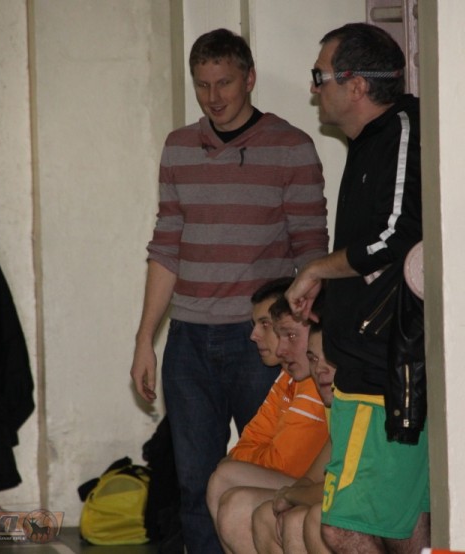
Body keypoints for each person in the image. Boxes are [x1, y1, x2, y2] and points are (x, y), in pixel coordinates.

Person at [130, 27, 329, 553]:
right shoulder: (179, 148)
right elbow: (165, 248)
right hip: (189, 340)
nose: (213, 97)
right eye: (202, 85)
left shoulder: (291, 147)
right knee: (194, 485)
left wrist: (301, 339)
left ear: (250, 79)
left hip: (260, 342)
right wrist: (145, 339)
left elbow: (312, 253)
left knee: (274, 478)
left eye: (224, 83)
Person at [285, 23, 429, 553]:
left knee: (342, 528)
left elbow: (397, 235)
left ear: (357, 85)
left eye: (320, 76)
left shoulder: (401, 131)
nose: (313, 88)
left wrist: (317, 270)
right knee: (405, 528)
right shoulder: (369, 141)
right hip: (361, 366)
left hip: (384, 369)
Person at [207, 279, 328, 553]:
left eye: (266, 325)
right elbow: (250, 440)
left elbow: (284, 463)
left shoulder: (317, 380)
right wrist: (245, 460)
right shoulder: (288, 377)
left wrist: (243, 462)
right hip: (305, 484)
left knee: (226, 479)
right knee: (226, 480)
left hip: (313, 486)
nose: (254, 335)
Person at [251, 319, 336, 554]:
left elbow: (338, 490)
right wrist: (292, 496)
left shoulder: (366, 406)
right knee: (267, 514)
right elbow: (311, 478)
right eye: (313, 359)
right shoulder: (338, 409)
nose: (320, 369)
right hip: (323, 494)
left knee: (309, 517)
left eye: (330, 359)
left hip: (394, 516)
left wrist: (291, 496)